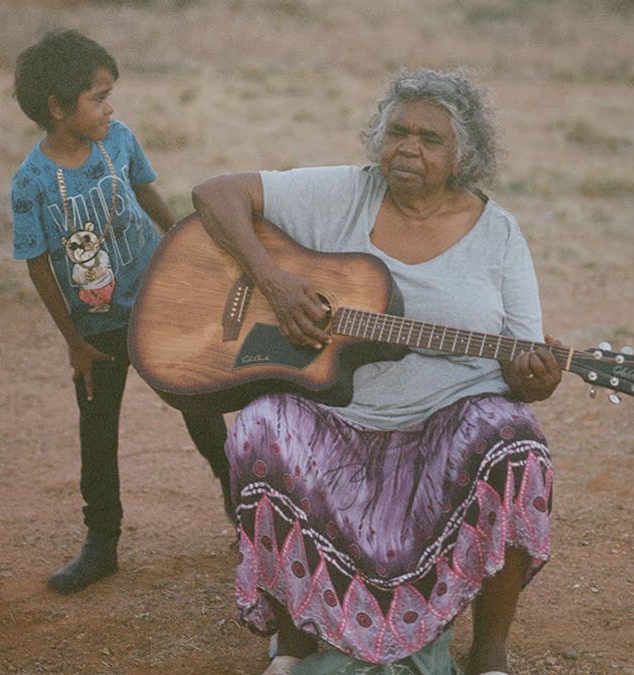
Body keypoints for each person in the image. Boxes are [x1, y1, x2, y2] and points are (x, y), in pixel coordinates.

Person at [192, 69, 562, 675]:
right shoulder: (345, 191)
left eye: (431, 139)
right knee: (259, 425)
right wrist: (274, 280)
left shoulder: (499, 234)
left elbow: (523, 367)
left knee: (517, 440)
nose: (408, 149)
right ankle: (294, 641)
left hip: (446, 425)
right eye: (398, 132)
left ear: (464, 154)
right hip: (335, 414)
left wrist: (537, 378)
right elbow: (214, 193)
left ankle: (490, 648)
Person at [10, 29, 232, 594]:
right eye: (97, 97)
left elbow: (148, 192)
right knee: (98, 431)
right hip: (97, 328)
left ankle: (246, 512)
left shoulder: (121, 139)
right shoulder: (31, 184)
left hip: (156, 302)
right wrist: (74, 342)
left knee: (201, 408)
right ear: (59, 108)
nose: (110, 107)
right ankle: (101, 544)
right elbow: (38, 265)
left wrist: (185, 245)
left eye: (110, 94)